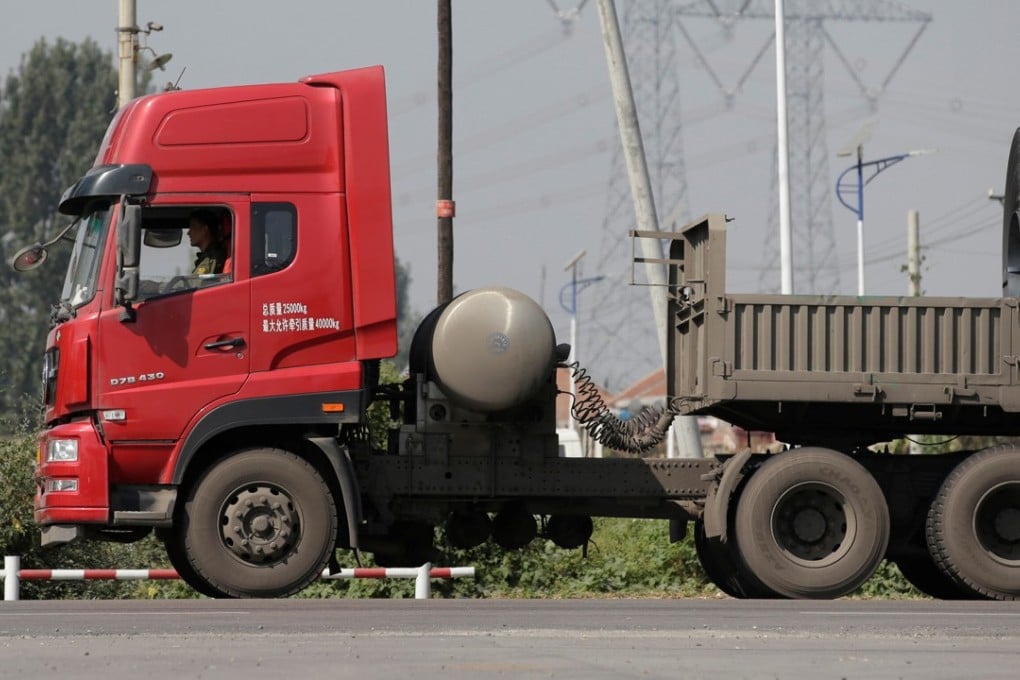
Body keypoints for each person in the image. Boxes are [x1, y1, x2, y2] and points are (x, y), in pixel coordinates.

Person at [187, 209, 227, 275]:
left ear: (205, 229)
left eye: (193, 227)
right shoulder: (208, 256)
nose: (188, 233)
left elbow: (196, 283)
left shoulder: (212, 257)